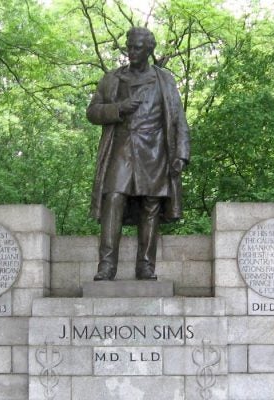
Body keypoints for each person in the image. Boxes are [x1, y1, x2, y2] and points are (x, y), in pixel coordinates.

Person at [86, 26, 190, 281]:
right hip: (121, 148)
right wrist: (118, 108)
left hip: (154, 150)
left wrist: (182, 154)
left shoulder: (164, 80)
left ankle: (145, 266)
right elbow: (92, 112)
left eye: (137, 48)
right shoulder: (112, 78)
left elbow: (178, 119)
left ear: (149, 50)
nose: (131, 52)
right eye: (129, 47)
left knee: (150, 205)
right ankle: (106, 266)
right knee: (113, 199)